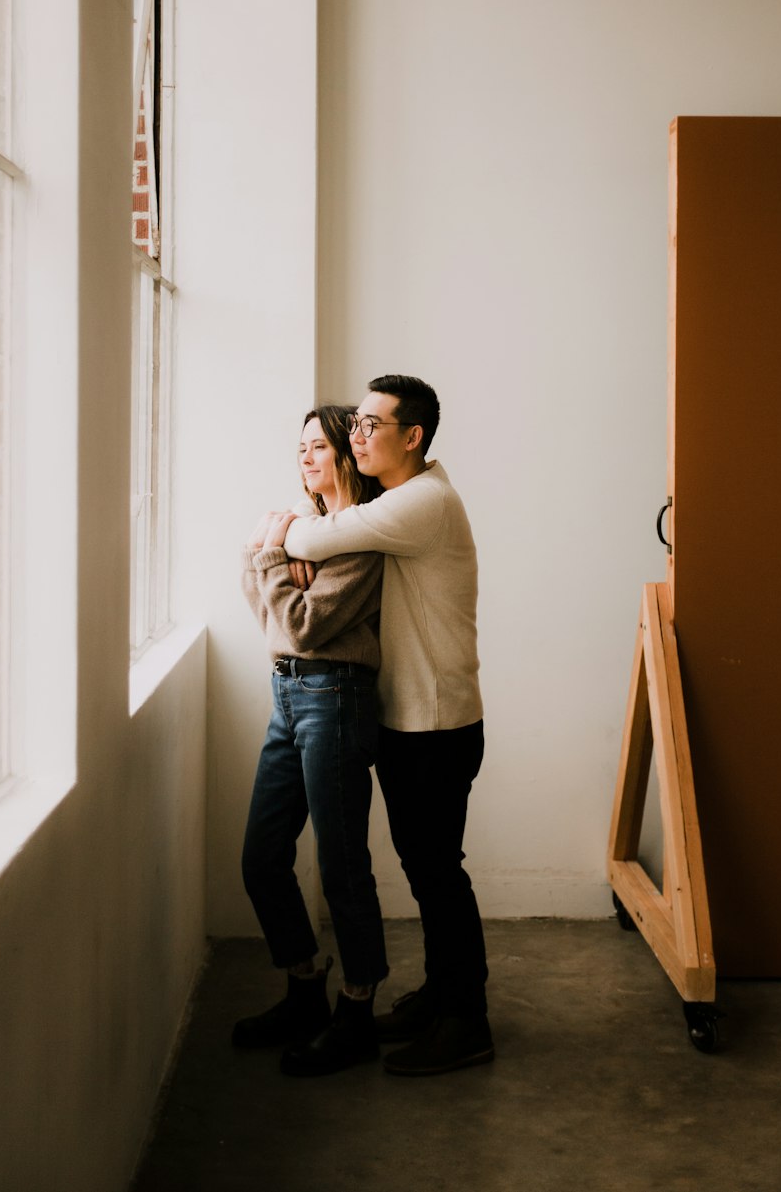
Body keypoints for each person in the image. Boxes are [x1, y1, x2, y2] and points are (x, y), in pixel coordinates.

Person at [280, 374, 492, 1076]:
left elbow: (314, 531)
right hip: (416, 719)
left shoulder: (420, 502)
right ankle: (441, 996)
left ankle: (467, 1022)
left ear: (414, 437)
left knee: (437, 872)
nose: (357, 435)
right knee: (427, 867)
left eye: (373, 425)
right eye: (357, 423)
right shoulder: (407, 500)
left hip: (435, 723)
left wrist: (274, 532)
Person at [234, 404, 388, 1077]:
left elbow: (301, 624)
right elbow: (262, 605)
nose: (304, 456)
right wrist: (273, 562)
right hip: (287, 694)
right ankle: (305, 989)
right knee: (262, 856)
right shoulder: (304, 529)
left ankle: (356, 1008)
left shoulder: (359, 537)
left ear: (347, 456)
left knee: (341, 863)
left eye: (318, 445)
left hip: (336, 696)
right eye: (299, 446)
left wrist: (272, 555)